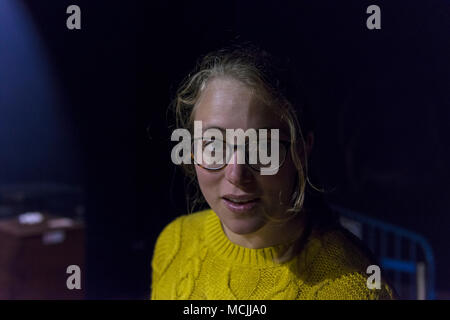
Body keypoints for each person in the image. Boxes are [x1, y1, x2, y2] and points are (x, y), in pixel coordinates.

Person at [150, 42, 397, 300]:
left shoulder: (353, 286)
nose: (236, 174)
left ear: (301, 150)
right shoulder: (174, 242)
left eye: (261, 148)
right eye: (213, 144)